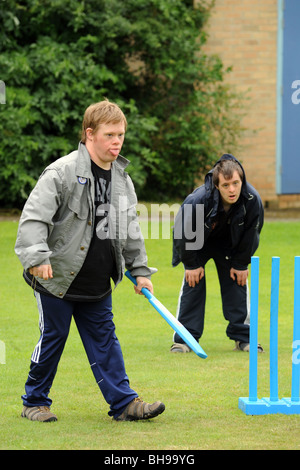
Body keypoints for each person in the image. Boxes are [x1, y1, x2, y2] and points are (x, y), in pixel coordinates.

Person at [15, 99, 165, 422]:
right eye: (110, 134)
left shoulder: (123, 181)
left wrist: (140, 270)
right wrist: (37, 257)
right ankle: (34, 402)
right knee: (53, 338)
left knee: (105, 341)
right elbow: (33, 218)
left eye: (121, 135)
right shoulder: (62, 172)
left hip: (97, 283)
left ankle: (124, 404)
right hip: (56, 279)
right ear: (89, 134)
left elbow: (131, 230)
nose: (117, 141)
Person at [171, 154, 264, 353]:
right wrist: (191, 264)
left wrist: (241, 264)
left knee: (237, 280)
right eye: (226, 185)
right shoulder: (197, 200)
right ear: (216, 185)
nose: (232, 190)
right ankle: (184, 340)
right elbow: (181, 232)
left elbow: (252, 233)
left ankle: (244, 338)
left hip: (230, 244)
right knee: (193, 282)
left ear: (242, 181)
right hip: (198, 244)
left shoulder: (252, 200)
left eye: (236, 183)